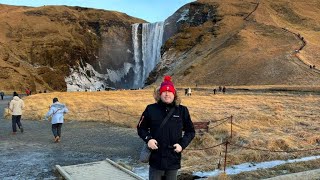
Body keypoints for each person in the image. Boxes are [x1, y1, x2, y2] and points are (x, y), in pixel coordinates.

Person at [137, 76, 195, 180]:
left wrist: (182, 145)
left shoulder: (182, 110)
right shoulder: (151, 109)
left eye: (170, 92)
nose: (167, 94)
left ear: (174, 94)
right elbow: (141, 128)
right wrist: (148, 139)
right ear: (160, 94)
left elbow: (190, 131)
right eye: (164, 91)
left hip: (173, 158)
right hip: (156, 159)